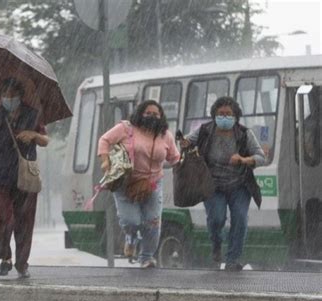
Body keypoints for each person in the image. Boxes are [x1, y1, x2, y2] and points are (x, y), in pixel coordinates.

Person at [0, 78, 49, 278]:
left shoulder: (32, 114)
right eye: (5, 95)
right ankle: (5, 257)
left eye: (13, 95)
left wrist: (33, 135)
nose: (9, 99)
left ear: (20, 96)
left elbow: (45, 140)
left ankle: (22, 263)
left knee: (25, 221)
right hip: (0, 175)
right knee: (4, 217)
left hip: (25, 176)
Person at [181, 96, 265, 271]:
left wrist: (243, 159)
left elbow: (261, 157)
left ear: (235, 116)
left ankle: (232, 260)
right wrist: (183, 143)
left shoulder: (244, 133)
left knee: (240, 219)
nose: (224, 117)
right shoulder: (205, 130)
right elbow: (186, 142)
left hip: (240, 185)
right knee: (217, 218)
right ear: (214, 115)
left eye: (228, 114)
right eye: (221, 114)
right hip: (213, 185)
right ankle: (217, 244)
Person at [97, 100, 180, 268]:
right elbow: (104, 140)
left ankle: (147, 257)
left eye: (156, 114)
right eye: (148, 113)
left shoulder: (166, 135)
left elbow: (175, 158)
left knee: (152, 222)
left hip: (152, 184)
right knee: (131, 221)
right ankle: (131, 237)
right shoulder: (126, 129)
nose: (152, 117)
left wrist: (189, 165)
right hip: (125, 182)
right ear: (140, 114)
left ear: (162, 117)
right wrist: (105, 161)